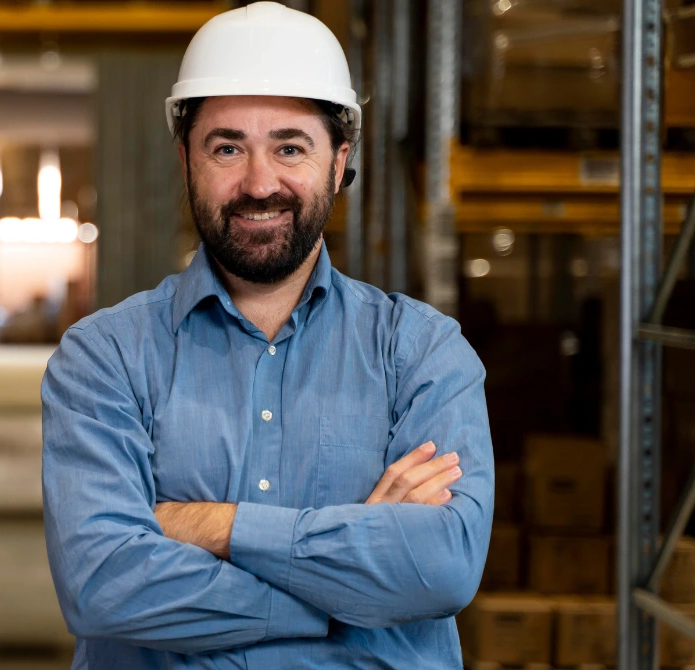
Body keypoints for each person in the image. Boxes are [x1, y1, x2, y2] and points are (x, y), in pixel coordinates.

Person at [40, 3, 493, 667]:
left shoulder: (422, 354)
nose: (259, 183)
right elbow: (103, 585)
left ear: (338, 162)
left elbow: (442, 567)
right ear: (186, 159)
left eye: (289, 147)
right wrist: (346, 595)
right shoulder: (105, 358)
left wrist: (215, 527)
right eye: (227, 148)